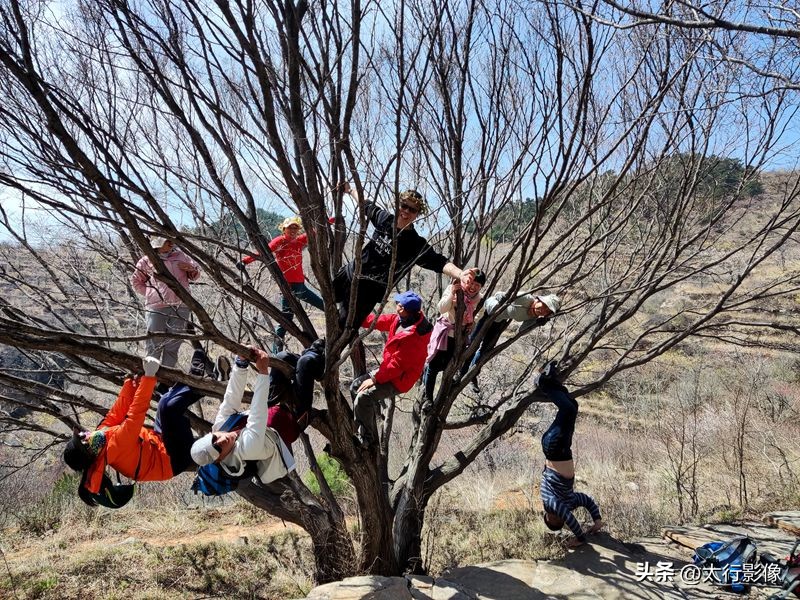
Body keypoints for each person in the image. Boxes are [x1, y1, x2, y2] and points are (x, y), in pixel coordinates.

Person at [63, 352, 210, 506]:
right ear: (89, 451)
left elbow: (117, 412)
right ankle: (197, 378)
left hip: (159, 444)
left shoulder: (100, 438)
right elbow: (135, 415)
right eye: (81, 439)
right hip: (172, 460)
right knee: (168, 407)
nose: (83, 434)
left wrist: (131, 383)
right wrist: (148, 377)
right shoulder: (114, 447)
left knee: (164, 398)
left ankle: (202, 378)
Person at [335, 184, 476, 340]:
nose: (406, 211)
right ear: (398, 205)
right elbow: (365, 203)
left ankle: (321, 356)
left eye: (412, 209)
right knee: (326, 299)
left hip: (367, 294)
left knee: (342, 332)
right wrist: (349, 190)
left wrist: (461, 273)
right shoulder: (384, 219)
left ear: (417, 214)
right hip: (349, 274)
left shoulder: (415, 244)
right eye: (404, 206)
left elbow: (440, 262)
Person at [191, 347, 296, 484]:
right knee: (308, 363)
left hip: (273, 410)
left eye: (214, 439)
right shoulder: (246, 450)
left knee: (283, 358)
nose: (220, 441)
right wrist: (263, 371)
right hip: (290, 422)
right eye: (217, 448)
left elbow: (231, 397)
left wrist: (241, 363)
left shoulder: (220, 427)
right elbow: (256, 415)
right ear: (219, 459)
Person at [352, 291, 432, 447]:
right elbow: (378, 321)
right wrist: (358, 319)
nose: (396, 305)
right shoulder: (401, 319)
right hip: (388, 370)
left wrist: (374, 379)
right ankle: (362, 423)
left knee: (364, 397)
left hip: (399, 379)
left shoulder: (415, 337)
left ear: (404, 309)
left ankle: (366, 439)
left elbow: (397, 366)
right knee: (355, 386)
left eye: (399, 304)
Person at [237, 216, 329, 352]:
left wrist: (332, 220)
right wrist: (245, 261)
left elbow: (315, 231)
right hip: (289, 286)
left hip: (299, 284)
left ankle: (276, 350)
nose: (293, 230)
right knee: (319, 307)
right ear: (284, 229)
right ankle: (276, 350)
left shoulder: (299, 241)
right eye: (290, 228)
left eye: (295, 228)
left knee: (288, 318)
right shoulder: (280, 241)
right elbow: (263, 251)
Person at [536, 361, 602, 547]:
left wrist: (580, 538)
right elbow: (587, 501)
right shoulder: (570, 501)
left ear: (551, 518)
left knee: (567, 409)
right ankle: (551, 379)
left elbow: (567, 516)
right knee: (572, 405)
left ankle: (542, 382)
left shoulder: (550, 502)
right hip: (563, 448)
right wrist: (596, 519)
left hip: (554, 447)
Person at [462, 291, 561, 393]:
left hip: (499, 321)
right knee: (473, 344)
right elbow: (499, 294)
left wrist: (536, 323)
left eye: (547, 311)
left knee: (485, 350)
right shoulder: (526, 299)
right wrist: (503, 299)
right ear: (539, 300)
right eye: (544, 306)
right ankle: (461, 371)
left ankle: (471, 375)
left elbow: (522, 331)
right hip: (488, 313)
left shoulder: (534, 317)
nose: (542, 310)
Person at [131, 236, 200, 370]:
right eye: (166, 241)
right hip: (156, 307)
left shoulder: (181, 255)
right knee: (153, 343)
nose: (171, 243)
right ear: (158, 243)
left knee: (173, 344)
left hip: (181, 305)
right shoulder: (146, 260)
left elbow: (196, 275)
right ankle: (150, 378)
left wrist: (190, 269)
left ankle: (166, 380)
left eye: (171, 240)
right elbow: (135, 281)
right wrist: (151, 294)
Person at [423, 270, 486, 401]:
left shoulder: (479, 299)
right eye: (472, 283)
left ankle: (443, 397)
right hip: (445, 333)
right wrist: (452, 293)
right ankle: (428, 399)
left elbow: (480, 313)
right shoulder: (455, 289)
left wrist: (472, 323)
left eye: (478, 285)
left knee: (449, 367)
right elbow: (442, 309)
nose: (473, 287)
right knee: (433, 367)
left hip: (459, 338)